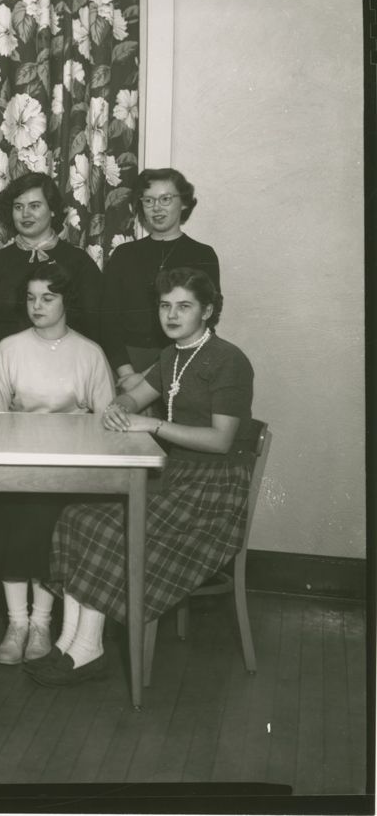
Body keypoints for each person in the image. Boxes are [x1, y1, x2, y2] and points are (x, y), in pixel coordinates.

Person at [29, 268, 254, 687]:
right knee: (79, 515)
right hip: (177, 479)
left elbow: (221, 440)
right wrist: (120, 406)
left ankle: (89, 648)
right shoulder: (172, 356)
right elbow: (135, 396)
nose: (171, 314)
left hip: (213, 493)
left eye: (183, 306)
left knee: (111, 528)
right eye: (165, 306)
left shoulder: (229, 360)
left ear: (207, 311)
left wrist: (151, 427)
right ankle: (67, 642)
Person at [0, 262, 114, 666]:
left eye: (48, 298)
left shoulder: (89, 353)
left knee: (47, 516)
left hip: (71, 469)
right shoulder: (9, 348)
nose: (37, 306)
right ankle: (16, 623)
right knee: (11, 512)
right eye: (31, 298)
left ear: (65, 301)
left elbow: (106, 423)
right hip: (18, 464)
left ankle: (41, 622)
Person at [0, 172, 102, 380]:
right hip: (8, 375)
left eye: (35, 206)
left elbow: (97, 328)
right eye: (18, 207)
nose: (25, 214)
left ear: (53, 210)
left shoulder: (78, 261)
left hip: (67, 378)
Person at [101, 168, 220, 394]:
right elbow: (107, 319)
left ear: (184, 203)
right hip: (124, 364)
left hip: (183, 359)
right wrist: (127, 374)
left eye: (166, 199)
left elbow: (208, 319)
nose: (156, 207)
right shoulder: (124, 254)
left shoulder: (203, 255)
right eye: (148, 200)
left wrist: (150, 376)